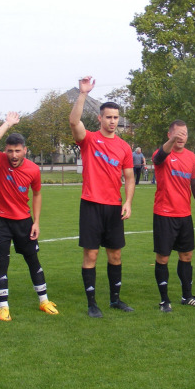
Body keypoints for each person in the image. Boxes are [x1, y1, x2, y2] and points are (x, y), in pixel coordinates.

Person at [69, 76, 135, 318]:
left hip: (114, 207)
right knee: (91, 254)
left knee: (115, 254)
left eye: (116, 117)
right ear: (100, 118)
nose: (112, 121)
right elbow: (74, 121)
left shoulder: (124, 147)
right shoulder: (89, 140)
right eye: (108, 117)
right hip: (91, 205)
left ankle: (115, 300)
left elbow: (129, 177)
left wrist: (127, 202)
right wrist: (83, 94)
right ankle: (91, 303)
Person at [0, 112, 58, 320]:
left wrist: (36, 222)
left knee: (33, 260)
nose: (14, 155)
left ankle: (44, 301)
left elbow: (37, 194)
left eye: (18, 151)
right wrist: (7, 124)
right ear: (4, 151)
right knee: (1, 262)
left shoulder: (33, 170)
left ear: (25, 150)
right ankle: (3, 306)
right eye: (10, 151)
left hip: (23, 222)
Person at [152, 120, 195, 312]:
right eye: (178, 133)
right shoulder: (161, 155)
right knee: (163, 258)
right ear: (169, 135)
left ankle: (187, 296)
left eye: (184, 133)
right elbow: (160, 156)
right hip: (164, 215)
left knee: (186, 256)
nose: (181, 137)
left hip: (184, 216)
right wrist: (170, 143)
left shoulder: (191, 157)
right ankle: (164, 300)